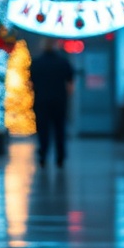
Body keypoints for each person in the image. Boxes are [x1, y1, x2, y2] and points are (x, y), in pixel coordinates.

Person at [29, 38, 74, 168]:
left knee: (43, 130)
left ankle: (43, 156)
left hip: (41, 101)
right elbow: (70, 84)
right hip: (59, 101)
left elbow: (31, 84)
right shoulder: (63, 62)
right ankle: (60, 158)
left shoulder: (37, 63)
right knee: (59, 129)